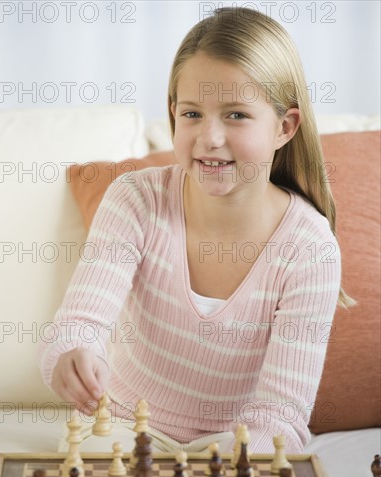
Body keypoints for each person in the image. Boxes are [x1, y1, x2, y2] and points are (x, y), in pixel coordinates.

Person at [39, 7, 352, 454]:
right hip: (126, 428)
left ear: (284, 127)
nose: (209, 137)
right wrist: (71, 355)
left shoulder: (310, 249)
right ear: (172, 114)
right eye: (191, 114)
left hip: (234, 444)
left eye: (237, 115)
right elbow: (77, 326)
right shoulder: (136, 199)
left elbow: (280, 414)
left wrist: (230, 470)